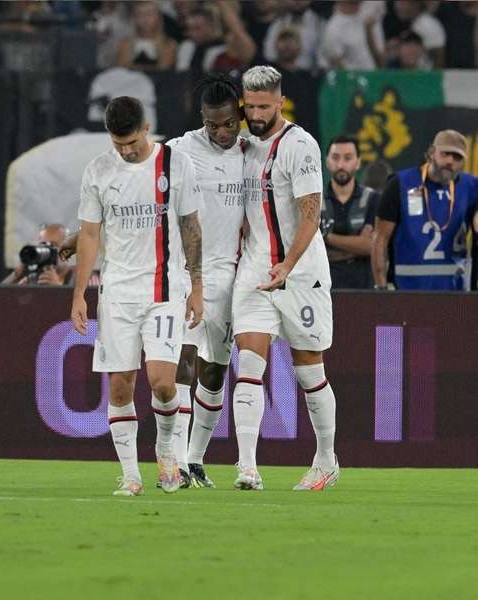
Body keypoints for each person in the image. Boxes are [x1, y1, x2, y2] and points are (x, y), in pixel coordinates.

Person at [71, 96, 204, 496]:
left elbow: (191, 228)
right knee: (120, 388)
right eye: (118, 144)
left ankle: (166, 447)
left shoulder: (176, 165)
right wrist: (79, 292)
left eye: (131, 142)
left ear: (146, 128)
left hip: (164, 290)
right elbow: (90, 235)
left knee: (163, 382)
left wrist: (197, 286)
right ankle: (130, 475)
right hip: (117, 294)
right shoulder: (98, 171)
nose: (126, 151)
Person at [234, 65, 338, 492]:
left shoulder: (301, 146)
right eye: (250, 105)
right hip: (256, 272)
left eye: (264, 105)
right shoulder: (241, 148)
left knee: (309, 371)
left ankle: (326, 460)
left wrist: (288, 265)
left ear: (280, 101)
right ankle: (247, 467)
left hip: (300, 275)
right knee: (248, 364)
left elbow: (311, 214)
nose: (256, 113)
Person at [166, 74, 246, 488]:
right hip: (186, 273)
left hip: (231, 278)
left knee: (215, 373)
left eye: (228, 123)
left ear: (241, 116)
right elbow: (141, 182)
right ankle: (176, 462)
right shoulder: (180, 149)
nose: (221, 131)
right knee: (184, 361)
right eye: (212, 124)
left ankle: (195, 459)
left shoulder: (252, 154)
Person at [372, 130, 478, 291]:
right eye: (445, 153)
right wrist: (381, 288)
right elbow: (380, 239)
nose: (450, 161)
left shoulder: (471, 187)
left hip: (455, 295)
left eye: (457, 157)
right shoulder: (400, 183)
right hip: (406, 291)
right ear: (431, 153)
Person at [321, 135, 379, 289]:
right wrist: (355, 247)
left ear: (358, 162)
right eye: (335, 157)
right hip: (324, 288)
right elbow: (308, 250)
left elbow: (371, 246)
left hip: (363, 288)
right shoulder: (314, 199)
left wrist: (326, 237)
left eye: (348, 158)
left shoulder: (372, 199)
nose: (340, 164)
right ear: (327, 161)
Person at [2, 223, 73, 286]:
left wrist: (57, 289)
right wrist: (17, 275)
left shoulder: (77, 276)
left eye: (53, 245)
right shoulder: (32, 276)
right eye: (43, 245)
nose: (47, 250)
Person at [115, 0, 177, 70]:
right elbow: (121, 70)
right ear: (135, 18)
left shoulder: (169, 45)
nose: (145, 19)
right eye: (140, 14)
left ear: (158, 17)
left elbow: (165, 71)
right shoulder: (124, 45)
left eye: (149, 14)